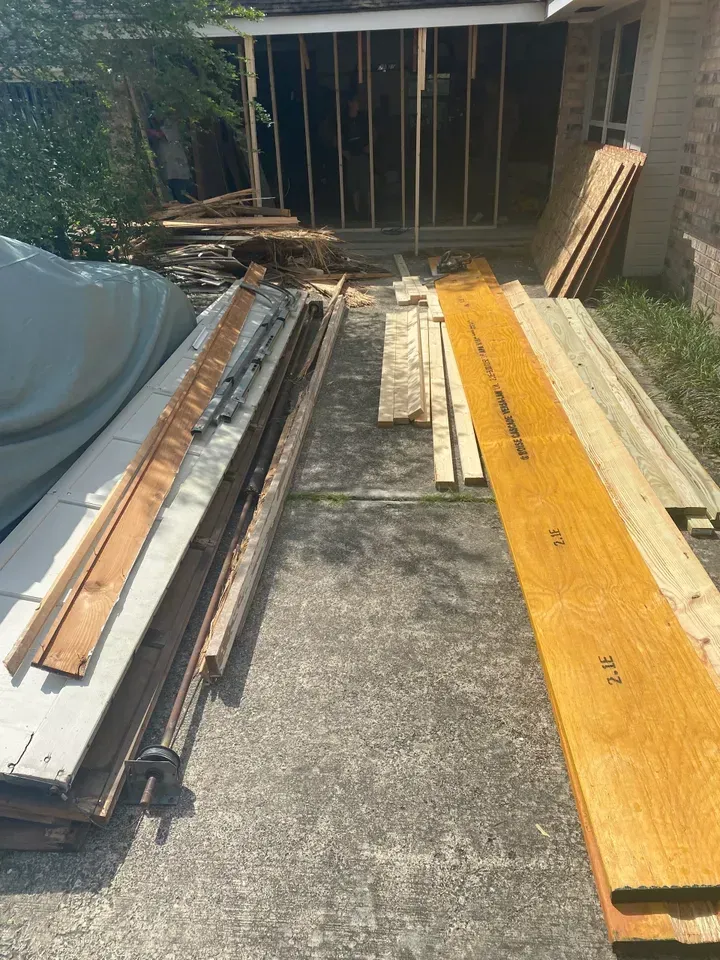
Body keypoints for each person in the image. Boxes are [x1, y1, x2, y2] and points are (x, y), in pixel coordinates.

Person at [147, 116, 195, 203]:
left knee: (181, 196)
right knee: (174, 196)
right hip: (170, 171)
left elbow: (159, 134)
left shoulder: (170, 122)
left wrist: (147, 130)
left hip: (177, 171)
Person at [342, 95, 370, 218]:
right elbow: (338, 136)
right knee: (353, 185)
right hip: (351, 156)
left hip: (363, 154)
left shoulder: (363, 118)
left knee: (365, 183)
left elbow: (372, 132)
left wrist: (370, 146)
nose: (358, 105)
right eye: (356, 102)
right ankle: (357, 211)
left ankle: (369, 211)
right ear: (350, 103)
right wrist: (343, 151)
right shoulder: (344, 120)